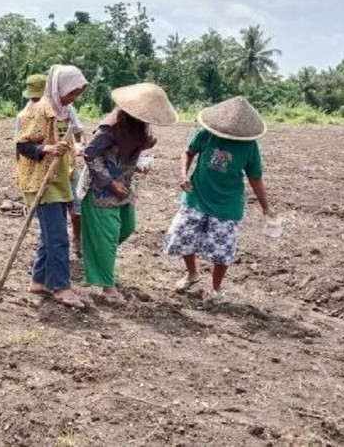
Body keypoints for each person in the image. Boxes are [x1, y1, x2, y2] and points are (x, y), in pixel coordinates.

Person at [163, 96, 276, 303]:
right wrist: (183, 175)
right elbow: (188, 153)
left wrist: (266, 208)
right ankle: (192, 274)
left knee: (222, 251)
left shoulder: (249, 146)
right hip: (196, 197)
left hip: (227, 205)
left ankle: (215, 289)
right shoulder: (206, 134)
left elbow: (255, 177)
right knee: (182, 236)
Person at [79, 83, 177, 303]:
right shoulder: (110, 128)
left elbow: (134, 149)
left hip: (124, 186)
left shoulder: (139, 127)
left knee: (126, 227)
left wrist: (139, 163)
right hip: (102, 189)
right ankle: (107, 288)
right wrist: (109, 182)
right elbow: (90, 154)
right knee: (108, 234)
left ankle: (100, 258)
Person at [15, 65, 89, 308]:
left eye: (77, 94)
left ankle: (39, 281)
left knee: (51, 235)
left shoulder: (63, 111)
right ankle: (61, 287)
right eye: (71, 92)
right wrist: (46, 148)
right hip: (40, 181)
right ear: (59, 88)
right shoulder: (40, 110)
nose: (73, 98)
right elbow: (22, 145)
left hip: (58, 178)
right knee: (58, 237)